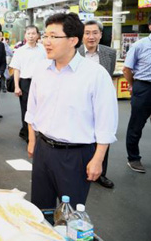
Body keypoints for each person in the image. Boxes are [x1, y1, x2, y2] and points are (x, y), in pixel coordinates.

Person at [25, 13, 118, 209]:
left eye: (53, 36)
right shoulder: (41, 69)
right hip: (43, 150)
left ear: (73, 40)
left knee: (72, 215)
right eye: (45, 36)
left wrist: (98, 159)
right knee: (41, 210)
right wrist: (33, 141)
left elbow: (106, 122)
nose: (46, 42)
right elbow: (32, 110)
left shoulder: (95, 74)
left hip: (75, 156)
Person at [78, 20, 117, 188]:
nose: (91, 36)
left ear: (101, 35)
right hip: (80, 103)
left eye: (95, 33)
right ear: (82, 36)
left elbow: (108, 77)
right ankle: (82, 170)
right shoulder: (75, 52)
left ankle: (101, 172)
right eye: (87, 33)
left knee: (103, 136)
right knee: (81, 137)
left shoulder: (109, 53)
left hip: (101, 103)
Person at [9, 25, 46, 142]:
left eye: (33, 33)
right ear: (25, 35)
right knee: (26, 109)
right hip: (25, 82)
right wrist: (16, 86)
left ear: (38, 35)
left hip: (41, 82)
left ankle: (38, 131)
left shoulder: (43, 49)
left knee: (41, 107)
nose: (31, 36)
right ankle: (27, 134)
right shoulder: (20, 51)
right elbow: (16, 70)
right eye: (28, 33)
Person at [123, 17, 151, 173]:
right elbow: (127, 69)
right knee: (136, 125)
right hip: (144, 87)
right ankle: (133, 158)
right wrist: (134, 86)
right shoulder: (139, 45)